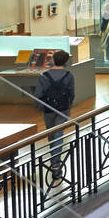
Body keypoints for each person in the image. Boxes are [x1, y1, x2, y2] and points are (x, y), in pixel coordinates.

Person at [33, 50, 76, 178]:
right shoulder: (69, 76)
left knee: (51, 132)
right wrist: (68, 105)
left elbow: (38, 95)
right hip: (63, 108)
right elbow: (72, 94)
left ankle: (54, 158)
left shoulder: (44, 76)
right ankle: (55, 162)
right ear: (65, 61)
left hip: (48, 109)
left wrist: (40, 107)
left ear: (53, 60)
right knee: (58, 133)